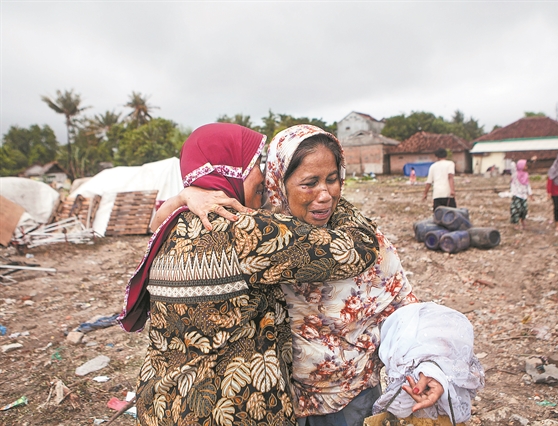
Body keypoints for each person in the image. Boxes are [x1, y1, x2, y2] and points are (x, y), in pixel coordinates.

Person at [162, 124, 484, 426]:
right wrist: (186, 196)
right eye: (309, 183)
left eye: (332, 178)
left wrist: (428, 366)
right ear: (277, 183)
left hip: (352, 400)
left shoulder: (362, 237)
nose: (325, 194)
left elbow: (402, 308)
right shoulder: (254, 234)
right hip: (282, 405)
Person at [118, 123, 381, 426]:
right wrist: (330, 192)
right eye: (255, 163)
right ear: (228, 171)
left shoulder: (172, 227)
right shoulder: (245, 232)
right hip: (228, 412)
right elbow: (356, 250)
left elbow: (155, 221)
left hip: (162, 407)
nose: (264, 175)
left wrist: (184, 195)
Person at [510, 159, 534, 229]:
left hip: (524, 196)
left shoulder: (526, 175)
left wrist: (530, 194)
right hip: (516, 195)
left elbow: (527, 185)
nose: (526, 167)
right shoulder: (515, 174)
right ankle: (516, 224)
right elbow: (512, 165)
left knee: (524, 210)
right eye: (525, 165)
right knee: (517, 210)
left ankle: (523, 220)